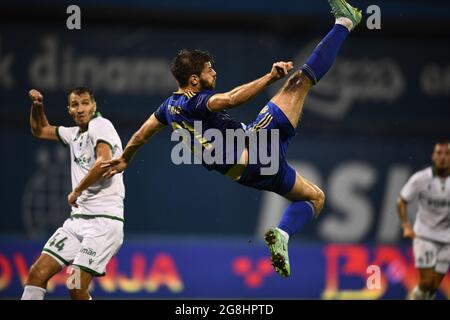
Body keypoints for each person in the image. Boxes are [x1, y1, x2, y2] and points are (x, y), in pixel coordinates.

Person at [103, 0, 362, 277]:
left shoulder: (168, 108)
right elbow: (231, 98)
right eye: (208, 69)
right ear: (193, 79)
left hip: (249, 172)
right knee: (299, 81)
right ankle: (345, 23)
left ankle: (283, 235)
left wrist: (125, 160)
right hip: (256, 146)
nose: (214, 72)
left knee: (314, 198)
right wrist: (269, 77)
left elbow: (142, 134)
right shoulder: (195, 102)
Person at [21, 87, 125, 300]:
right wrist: (38, 106)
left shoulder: (101, 125)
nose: (80, 109)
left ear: (94, 106)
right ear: (69, 109)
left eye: (85, 103)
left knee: (75, 285)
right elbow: (40, 129)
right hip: (77, 222)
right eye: (75, 105)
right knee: (37, 273)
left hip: (103, 223)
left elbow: (103, 163)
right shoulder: (73, 134)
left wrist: (77, 190)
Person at [397, 141, 450, 299]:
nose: (443, 157)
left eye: (447, 154)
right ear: (433, 156)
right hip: (424, 235)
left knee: (433, 287)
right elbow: (401, 200)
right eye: (439, 153)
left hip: (447, 239)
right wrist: (406, 225)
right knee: (426, 283)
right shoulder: (421, 178)